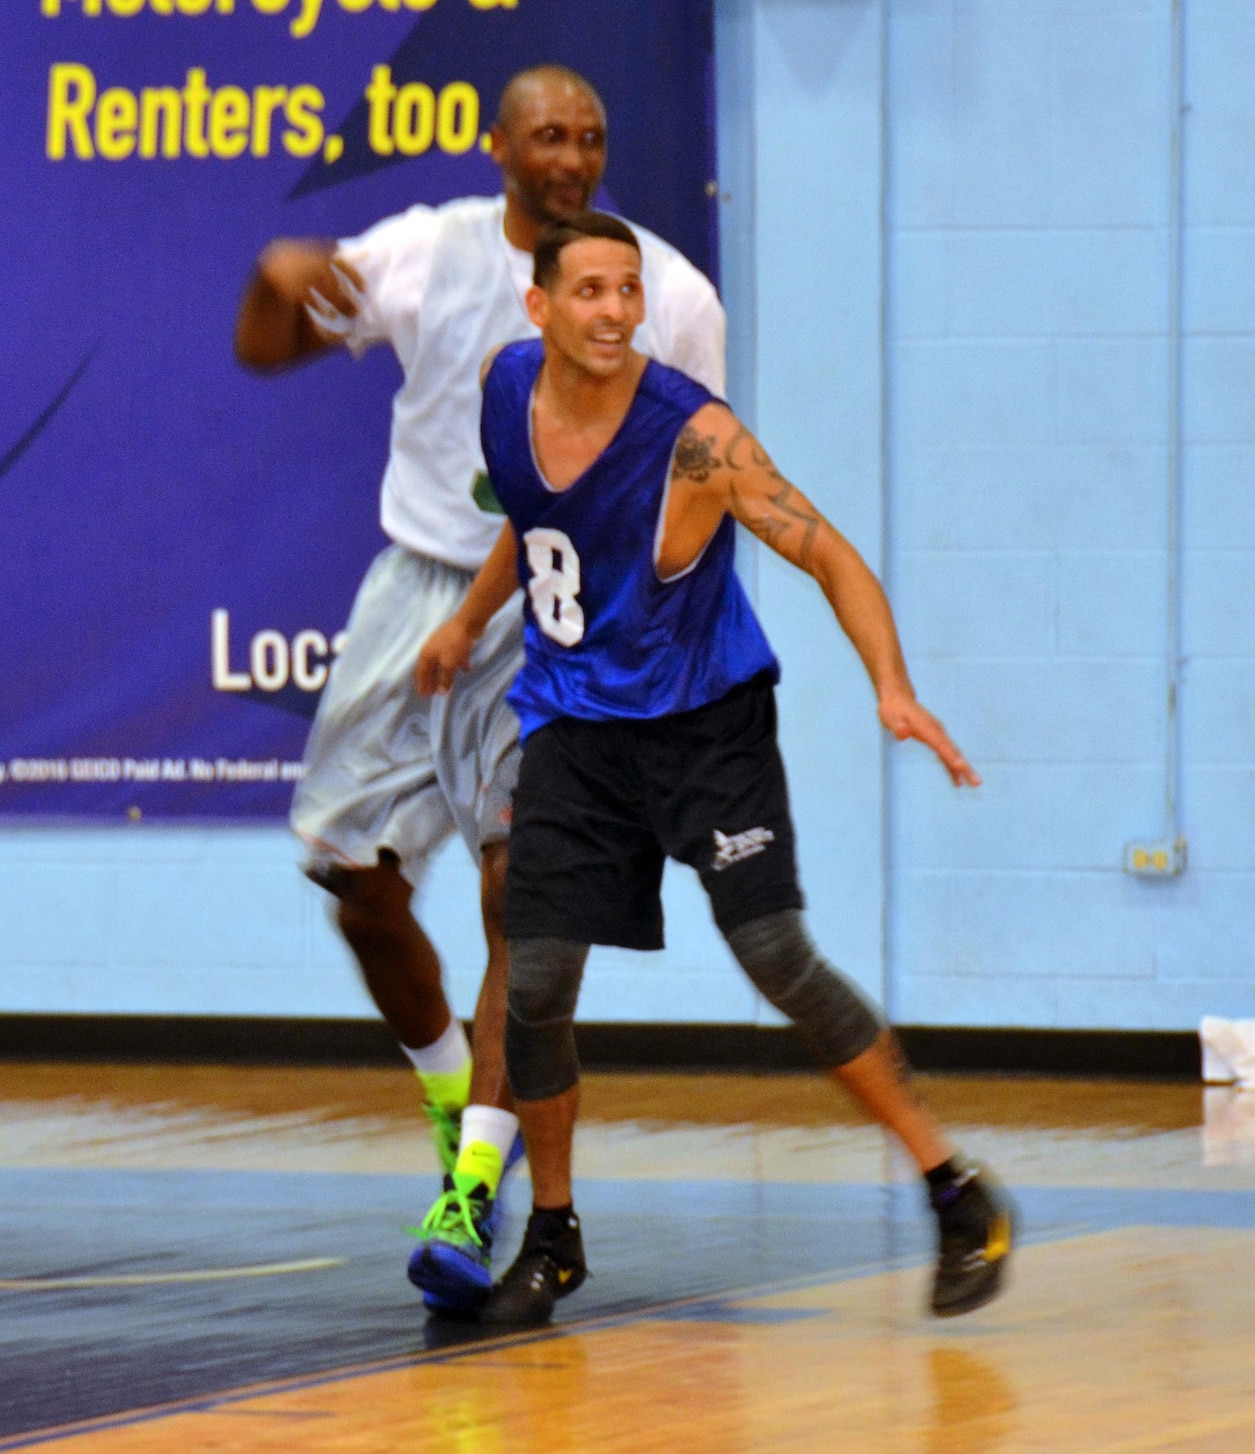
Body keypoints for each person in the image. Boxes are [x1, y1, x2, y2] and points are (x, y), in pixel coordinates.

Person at [416, 211, 1015, 1324]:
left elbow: (827, 551)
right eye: (587, 290)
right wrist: (464, 622)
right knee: (535, 979)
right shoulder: (506, 387)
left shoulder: (695, 438)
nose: (611, 310)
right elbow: (539, 521)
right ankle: (550, 1236)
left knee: (774, 953)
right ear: (537, 307)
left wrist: (890, 685)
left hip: (703, 727)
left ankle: (950, 1185)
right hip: (572, 726)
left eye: (626, 290)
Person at [233, 68, 725, 1310]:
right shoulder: (429, 251)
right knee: (353, 880)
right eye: (548, 135)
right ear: (497, 146)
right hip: (418, 588)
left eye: (591, 138)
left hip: (563, 608)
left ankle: (472, 1183)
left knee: (526, 894)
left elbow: (707, 468)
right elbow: (260, 348)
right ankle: (451, 1083)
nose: (571, 156)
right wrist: (273, 277)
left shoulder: (670, 293)